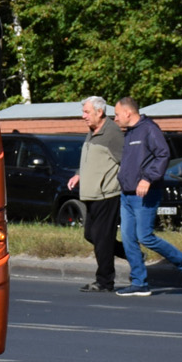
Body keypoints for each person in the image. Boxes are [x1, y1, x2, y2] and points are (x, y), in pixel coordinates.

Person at [114, 96, 182, 296]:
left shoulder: (149, 129)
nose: (115, 119)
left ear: (128, 113)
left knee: (145, 236)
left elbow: (163, 154)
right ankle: (139, 283)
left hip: (146, 193)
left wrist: (148, 179)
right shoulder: (130, 133)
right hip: (127, 194)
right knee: (128, 239)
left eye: (117, 114)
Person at [67, 96, 126, 292]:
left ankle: (104, 281)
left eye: (87, 112)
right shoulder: (93, 131)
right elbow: (90, 160)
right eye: (83, 112)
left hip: (107, 194)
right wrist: (78, 175)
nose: (83, 116)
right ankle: (133, 254)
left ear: (99, 112)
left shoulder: (112, 133)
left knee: (102, 238)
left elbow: (126, 161)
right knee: (92, 235)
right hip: (91, 194)